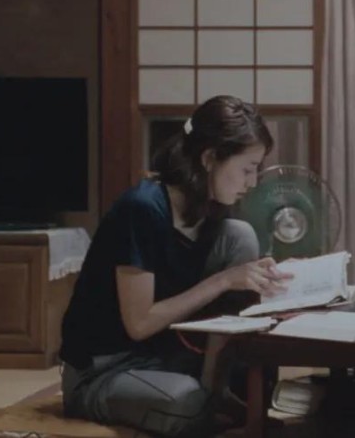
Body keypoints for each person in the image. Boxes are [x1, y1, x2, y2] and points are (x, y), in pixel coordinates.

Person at [59, 95, 292, 437]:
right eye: (247, 169)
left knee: (240, 236)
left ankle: (216, 392)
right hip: (104, 370)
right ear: (209, 158)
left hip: (164, 357)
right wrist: (224, 280)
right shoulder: (142, 208)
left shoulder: (210, 210)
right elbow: (139, 324)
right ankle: (211, 403)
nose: (253, 182)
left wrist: (277, 281)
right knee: (188, 403)